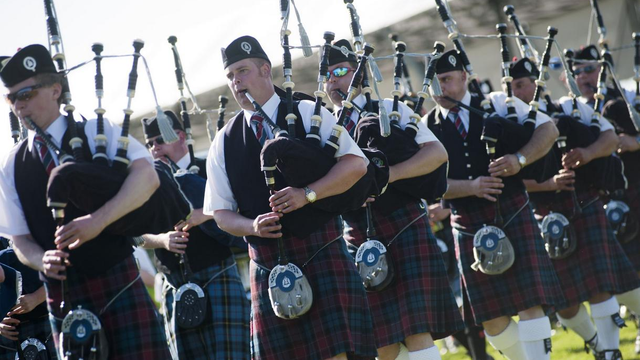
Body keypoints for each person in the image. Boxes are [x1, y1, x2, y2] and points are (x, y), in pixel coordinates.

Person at [203, 35, 377, 360]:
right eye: (230, 77)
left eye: (242, 71)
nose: (236, 82)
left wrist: (307, 194)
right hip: (268, 265)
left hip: (320, 250)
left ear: (265, 70)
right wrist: (252, 226)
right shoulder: (223, 142)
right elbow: (221, 213)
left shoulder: (307, 110)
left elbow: (356, 165)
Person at [0, 44, 171, 359]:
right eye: (12, 98)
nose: (19, 106)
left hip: (117, 279)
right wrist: (42, 260)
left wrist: (98, 221)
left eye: (26, 95)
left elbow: (148, 177)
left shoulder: (96, 132)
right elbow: (19, 238)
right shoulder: (12, 165)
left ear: (55, 89)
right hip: (62, 295)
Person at [324, 39, 463, 360]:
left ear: (358, 74)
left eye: (341, 71)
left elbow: (436, 154)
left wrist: (389, 175)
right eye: (327, 76)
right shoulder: (322, 127)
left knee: (417, 332)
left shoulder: (391, 108)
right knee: (383, 344)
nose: (333, 81)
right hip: (357, 236)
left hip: (404, 223)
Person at [425, 49, 565, 360]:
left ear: (464, 77)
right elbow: (427, 183)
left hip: (512, 210)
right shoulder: (427, 126)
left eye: (446, 80)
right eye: (434, 84)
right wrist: (470, 187)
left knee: (530, 301)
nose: (441, 90)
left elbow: (549, 129)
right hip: (466, 223)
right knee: (491, 319)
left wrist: (520, 159)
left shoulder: (499, 104)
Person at [510, 56, 640, 360]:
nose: (516, 91)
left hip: (584, 204)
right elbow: (505, 178)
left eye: (520, 84)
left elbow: (609, 138)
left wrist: (587, 152)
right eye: (512, 86)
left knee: (601, 286)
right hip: (546, 217)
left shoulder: (568, 108)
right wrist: (548, 184)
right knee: (565, 301)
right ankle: (595, 341)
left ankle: (610, 351)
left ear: (536, 83)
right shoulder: (507, 123)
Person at [140, 110, 250, 360]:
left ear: (179, 136)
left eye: (159, 140)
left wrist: (205, 213)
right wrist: (163, 240)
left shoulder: (209, 168)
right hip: (174, 284)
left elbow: (243, 211)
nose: (154, 148)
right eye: (149, 144)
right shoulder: (146, 182)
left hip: (218, 273)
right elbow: (135, 235)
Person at [0, 245, 57, 360]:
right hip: (9, 340)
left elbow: (61, 280)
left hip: (47, 325)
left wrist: (36, 298)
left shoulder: (12, 257)